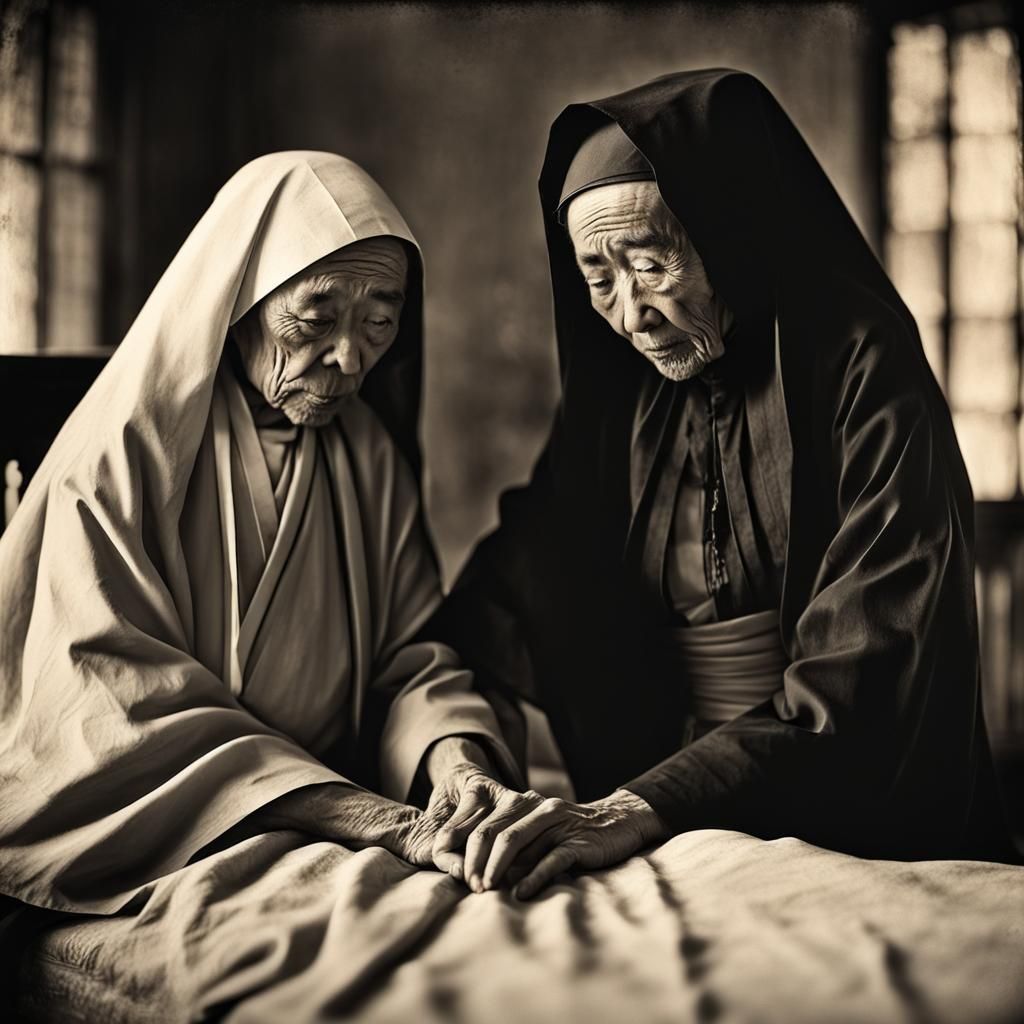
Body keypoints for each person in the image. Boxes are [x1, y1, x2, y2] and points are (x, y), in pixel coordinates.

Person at [429, 69, 1016, 900]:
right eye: (599, 279)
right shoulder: (621, 398)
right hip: (665, 786)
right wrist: (458, 750)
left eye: (652, 264)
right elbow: (515, 585)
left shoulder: (860, 370)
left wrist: (635, 807)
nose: (631, 315)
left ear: (734, 232)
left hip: (839, 810)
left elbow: (872, 664)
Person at [0, 151, 521, 925]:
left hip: (332, 817)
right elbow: (103, 711)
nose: (349, 359)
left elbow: (411, 658)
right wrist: (374, 820)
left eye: (379, 325)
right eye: (315, 320)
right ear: (238, 299)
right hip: (177, 830)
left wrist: (455, 762)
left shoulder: (367, 454)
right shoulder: (124, 454)